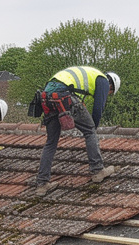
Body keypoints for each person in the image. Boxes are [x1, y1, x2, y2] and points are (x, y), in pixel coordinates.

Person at [35, 66, 119, 195]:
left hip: (46, 98)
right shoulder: (103, 80)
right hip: (64, 96)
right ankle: (98, 171)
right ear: (111, 86)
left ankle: (42, 184)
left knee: (51, 142)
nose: (107, 93)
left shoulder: (84, 76)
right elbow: (98, 109)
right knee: (90, 131)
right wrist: (93, 129)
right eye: (110, 92)